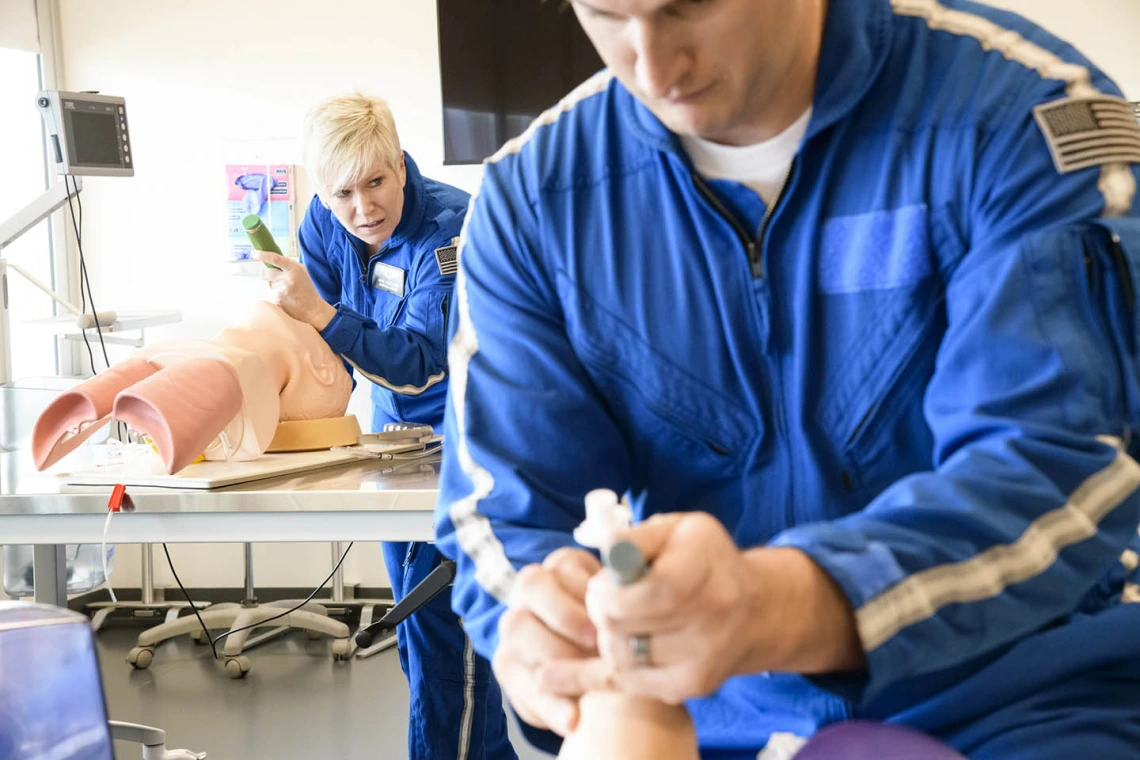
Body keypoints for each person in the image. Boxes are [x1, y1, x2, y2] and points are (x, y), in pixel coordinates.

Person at [434, 0, 1140, 757]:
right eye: (608, 12)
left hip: (1022, 698)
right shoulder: (532, 199)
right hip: (707, 715)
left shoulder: (1027, 116)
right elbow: (503, 511)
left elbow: (1064, 461)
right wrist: (541, 622)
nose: (653, 65)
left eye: (690, 6)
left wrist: (781, 604)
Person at [255, 93, 516, 760]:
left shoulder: (449, 231)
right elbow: (311, 339)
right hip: (387, 444)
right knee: (416, 639)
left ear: (400, 165)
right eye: (342, 191)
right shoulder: (325, 219)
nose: (362, 208)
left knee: (446, 647)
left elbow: (423, 365)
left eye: (376, 182)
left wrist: (319, 315)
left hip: (463, 444)